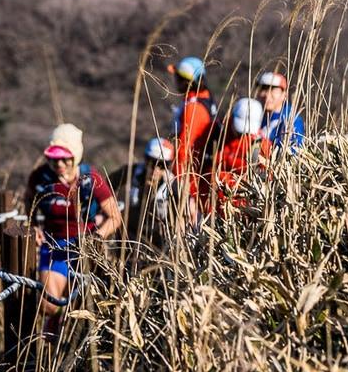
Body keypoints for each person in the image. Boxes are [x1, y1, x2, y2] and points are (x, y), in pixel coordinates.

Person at [23, 124, 122, 324]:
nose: (59, 163)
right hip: (54, 245)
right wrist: (33, 225)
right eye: (54, 158)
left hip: (86, 247)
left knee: (80, 305)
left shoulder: (91, 178)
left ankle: (67, 339)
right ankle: (53, 327)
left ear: (75, 155)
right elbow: (28, 202)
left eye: (64, 157)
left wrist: (96, 238)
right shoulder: (40, 178)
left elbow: (115, 217)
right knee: (48, 305)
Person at [166, 56, 217, 222]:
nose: (176, 81)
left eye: (178, 78)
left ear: (188, 81)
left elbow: (184, 149)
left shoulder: (193, 108)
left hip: (192, 182)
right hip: (199, 179)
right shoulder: (205, 99)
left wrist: (183, 186)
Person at [110, 137, 175, 252]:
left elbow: (183, 215)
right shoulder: (131, 172)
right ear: (145, 160)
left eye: (161, 165)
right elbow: (107, 185)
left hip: (158, 240)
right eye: (152, 163)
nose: (155, 169)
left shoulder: (173, 185)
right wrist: (113, 209)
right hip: (128, 234)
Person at [209, 97, 270, 215]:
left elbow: (263, 182)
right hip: (216, 206)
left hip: (242, 210)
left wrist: (223, 178)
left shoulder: (262, 147)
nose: (242, 134)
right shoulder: (219, 134)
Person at [254, 71, 305, 154]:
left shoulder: (292, 121)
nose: (267, 95)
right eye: (263, 89)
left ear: (284, 95)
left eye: (273, 90)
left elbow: (291, 152)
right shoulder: (255, 116)